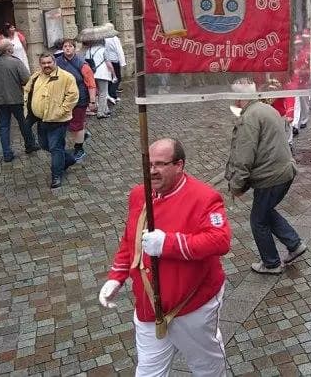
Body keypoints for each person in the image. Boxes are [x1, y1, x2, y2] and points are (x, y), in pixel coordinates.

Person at [99, 139, 231, 376]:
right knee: (148, 372)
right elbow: (129, 240)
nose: (152, 171)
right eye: (148, 164)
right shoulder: (139, 194)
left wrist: (168, 243)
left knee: (206, 367)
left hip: (192, 306)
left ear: (179, 165)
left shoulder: (204, 197)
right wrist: (116, 276)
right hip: (149, 307)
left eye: (160, 164)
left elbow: (220, 240)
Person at [225, 81, 307, 274]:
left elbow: (244, 156)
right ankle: (294, 244)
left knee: (258, 220)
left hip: (271, 176)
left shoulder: (249, 117)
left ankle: (271, 263)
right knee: (265, 211)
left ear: (240, 98)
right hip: (282, 172)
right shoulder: (265, 109)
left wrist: (236, 185)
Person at [24, 53, 79, 189]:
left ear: (54, 62)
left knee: (55, 147)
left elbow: (73, 96)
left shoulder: (66, 77)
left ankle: (56, 176)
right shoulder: (36, 76)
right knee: (44, 145)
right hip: (41, 119)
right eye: (44, 63)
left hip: (58, 120)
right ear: (40, 64)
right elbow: (27, 91)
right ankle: (69, 159)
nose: (46, 65)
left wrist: (61, 111)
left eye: (49, 62)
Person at [0, 39, 39, 162]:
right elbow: (26, 79)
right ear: (9, 49)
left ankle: (7, 153)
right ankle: (30, 145)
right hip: (15, 98)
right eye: (12, 45)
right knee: (23, 122)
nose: (13, 47)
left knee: (4, 126)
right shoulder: (16, 62)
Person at [55, 39, 97, 161]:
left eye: (70, 46)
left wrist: (92, 100)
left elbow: (91, 83)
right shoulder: (56, 62)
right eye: (65, 46)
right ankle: (83, 135)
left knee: (76, 125)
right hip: (63, 98)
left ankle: (79, 148)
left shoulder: (82, 64)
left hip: (80, 98)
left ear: (74, 48)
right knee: (68, 123)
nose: (67, 48)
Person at [85, 38, 116, 119]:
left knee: (99, 93)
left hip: (92, 74)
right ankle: (100, 112)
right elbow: (108, 63)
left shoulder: (89, 50)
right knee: (103, 93)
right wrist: (114, 74)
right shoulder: (103, 50)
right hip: (102, 74)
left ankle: (106, 109)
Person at [103, 23, 126, 101]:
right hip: (114, 60)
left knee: (109, 78)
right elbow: (119, 50)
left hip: (106, 61)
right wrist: (123, 62)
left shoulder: (103, 38)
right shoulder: (114, 38)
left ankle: (109, 93)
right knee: (117, 78)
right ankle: (112, 94)